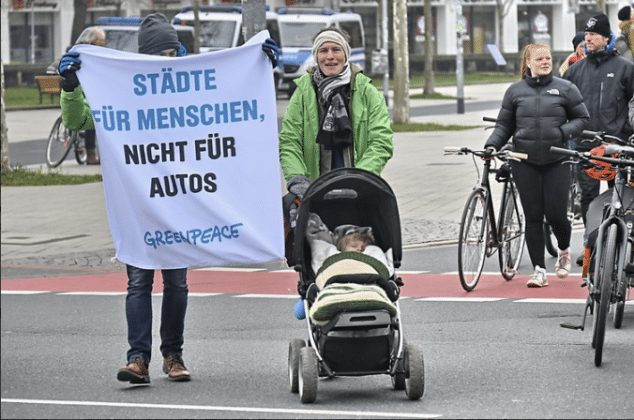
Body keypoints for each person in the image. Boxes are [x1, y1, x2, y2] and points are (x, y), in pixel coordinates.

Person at [58, 13, 279, 384]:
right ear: (144, 58)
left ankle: (172, 356)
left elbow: (233, 100)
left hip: (182, 203)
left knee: (176, 282)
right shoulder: (125, 91)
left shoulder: (191, 87)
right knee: (139, 282)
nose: (166, 60)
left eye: (170, 51)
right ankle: (137, 359)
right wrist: (69, 85)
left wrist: (259, 63)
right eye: (157, 54)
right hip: (141, 206)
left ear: (178, 51)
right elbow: (78, 121)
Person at [485, 44, 590, 288]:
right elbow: (504, 125)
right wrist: (492, 145)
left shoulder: (565, 88)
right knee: (532, 216)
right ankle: (539, 270)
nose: (545, 62)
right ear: (528, 63)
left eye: (548, 58)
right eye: (540, 58)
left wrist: (562, 132)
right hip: (524, 160)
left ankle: (563, 250)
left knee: (555, 214)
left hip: (557, 159)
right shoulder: (515, 91)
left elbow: (582, 118)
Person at [279, 27, 394, 200]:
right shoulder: (302, 94)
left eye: (336, 49)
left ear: (346, 54)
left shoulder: (368, 92)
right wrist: (298, 180)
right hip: (313, 191)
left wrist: (359, 179)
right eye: (323, 50)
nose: (330, 56)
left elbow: (381, 141)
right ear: (316, 56)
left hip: (359, 191)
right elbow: (289, 141)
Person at [564, 12, 634, 265]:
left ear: (607, 38)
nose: (588, 38)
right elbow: (562, 105)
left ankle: (619, 246)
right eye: (587, 33)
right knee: (588, 198)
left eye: (594, 34)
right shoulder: (575, 71)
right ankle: (592, 249)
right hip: (585, 146)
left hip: (617, 147)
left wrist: (625, 134)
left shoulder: (626, 69)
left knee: (619, 197)